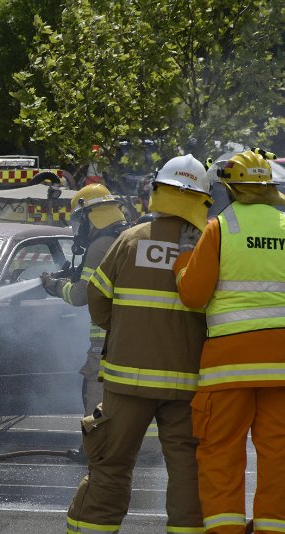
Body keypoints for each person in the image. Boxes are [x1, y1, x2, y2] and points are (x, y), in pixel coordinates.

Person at [66, 154, 212, 533]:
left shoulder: (132, 239)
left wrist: (126, 329)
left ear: (156, 193)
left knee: (111, 465)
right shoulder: (209, 245)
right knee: (188, 471)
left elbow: (96, 299)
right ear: (202, 197)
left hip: (127, 380)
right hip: (186, 383)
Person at [174, 150, 285, 533]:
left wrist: (182, 265)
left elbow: (193, 295)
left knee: (221, 453)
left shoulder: (220, 228)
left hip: (228, 368)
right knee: (279, 458)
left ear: (231, 187)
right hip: (283, 368)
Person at [41, 184, 128, 421]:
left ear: (91, 215)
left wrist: (55, 287)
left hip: (106, 338)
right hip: (132, 334)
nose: (78, 228)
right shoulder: (126, 237)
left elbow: (82, 295)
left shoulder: (99, 246)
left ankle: (96, 446)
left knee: (96, 390)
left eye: (80, 220)